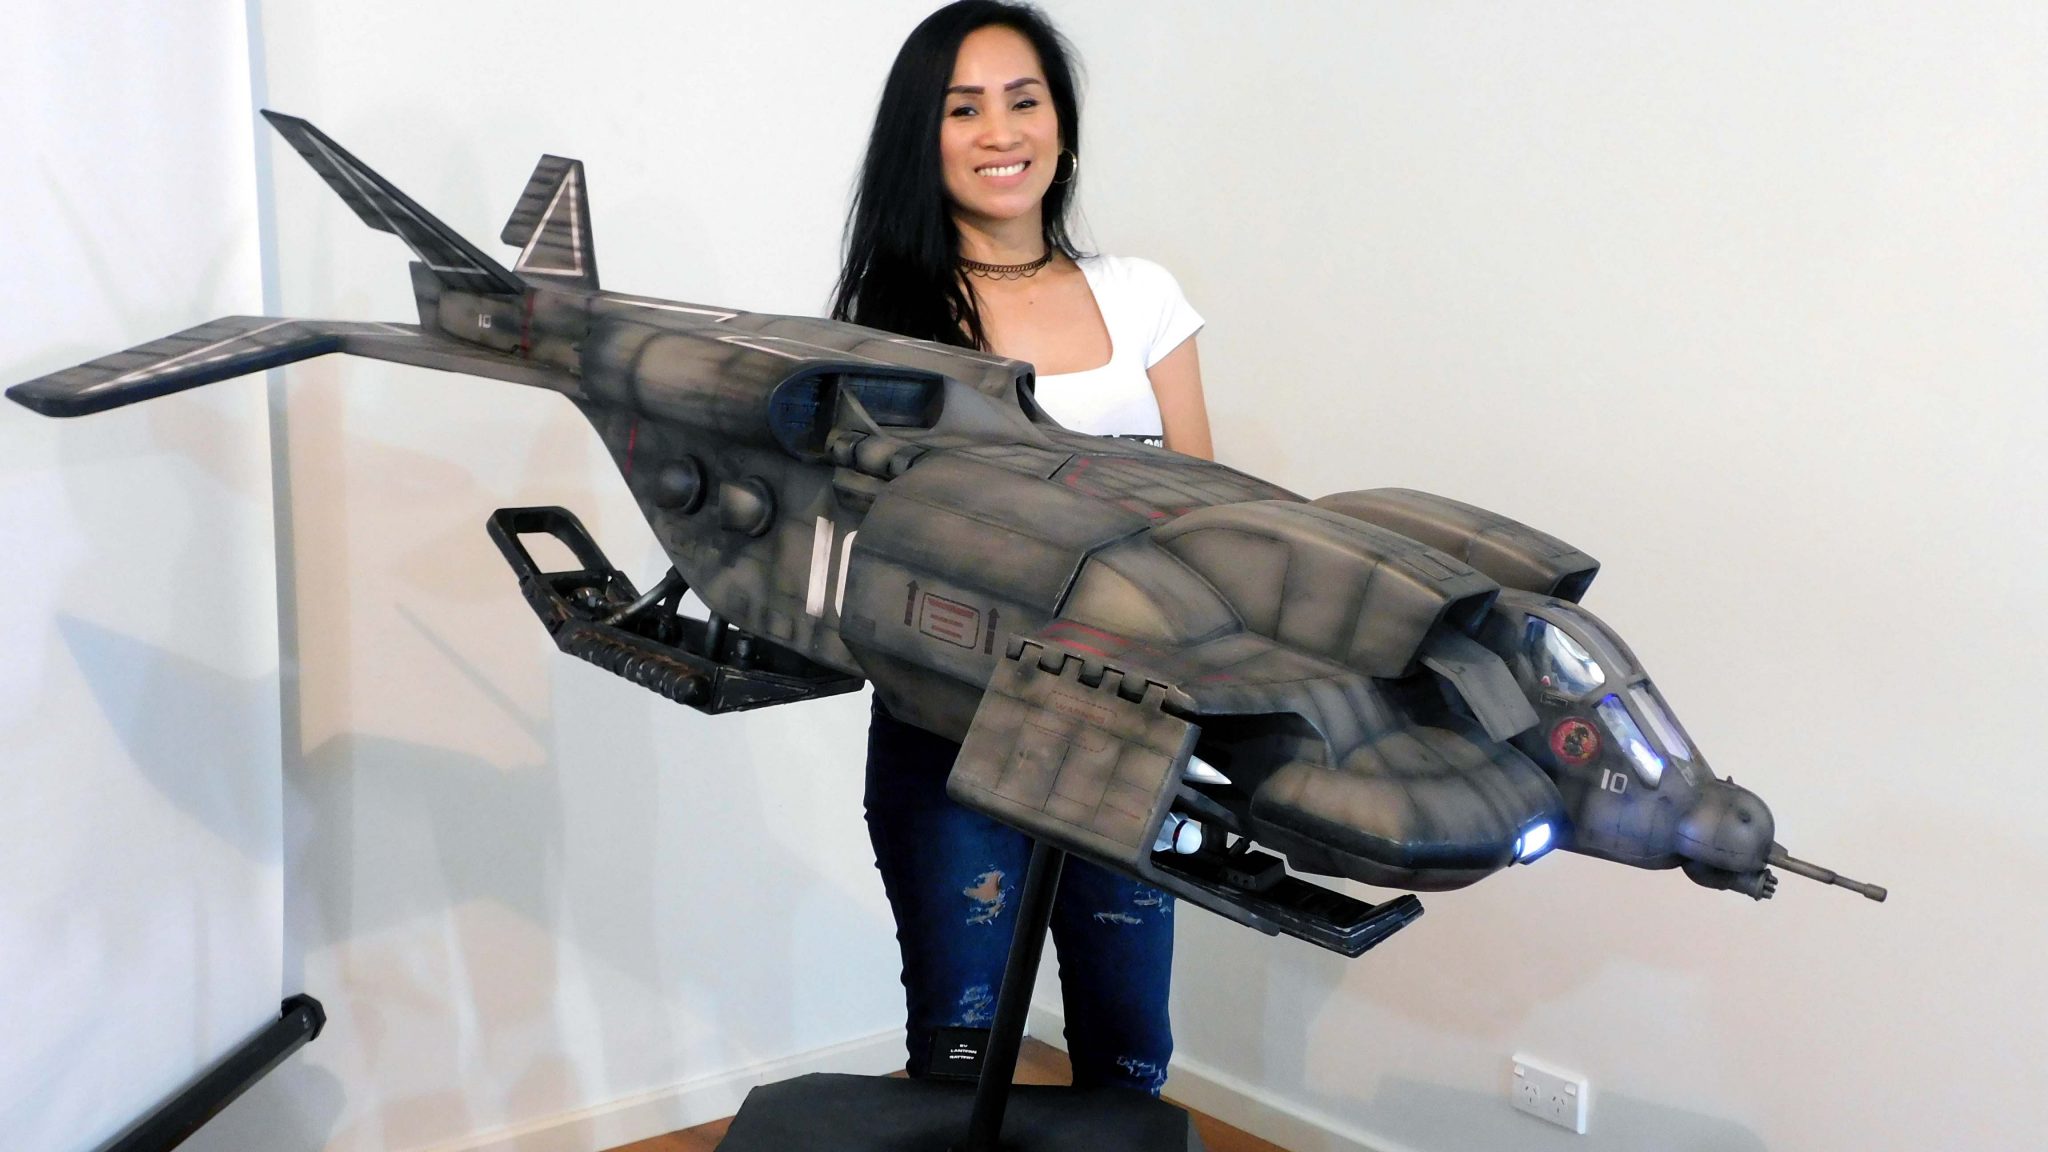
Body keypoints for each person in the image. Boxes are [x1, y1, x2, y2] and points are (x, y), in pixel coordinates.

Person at [830, 1, 1213, 1097]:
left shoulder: (1142, 297)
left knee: (1128, 1056)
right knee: (959, 1052)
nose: (999, 132)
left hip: (1129, 734)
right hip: (950, 727)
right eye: (963, 109)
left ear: (1061, 124)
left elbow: (1203, 514)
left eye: (1022, 100)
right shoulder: (891, 322)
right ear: (924, 137)